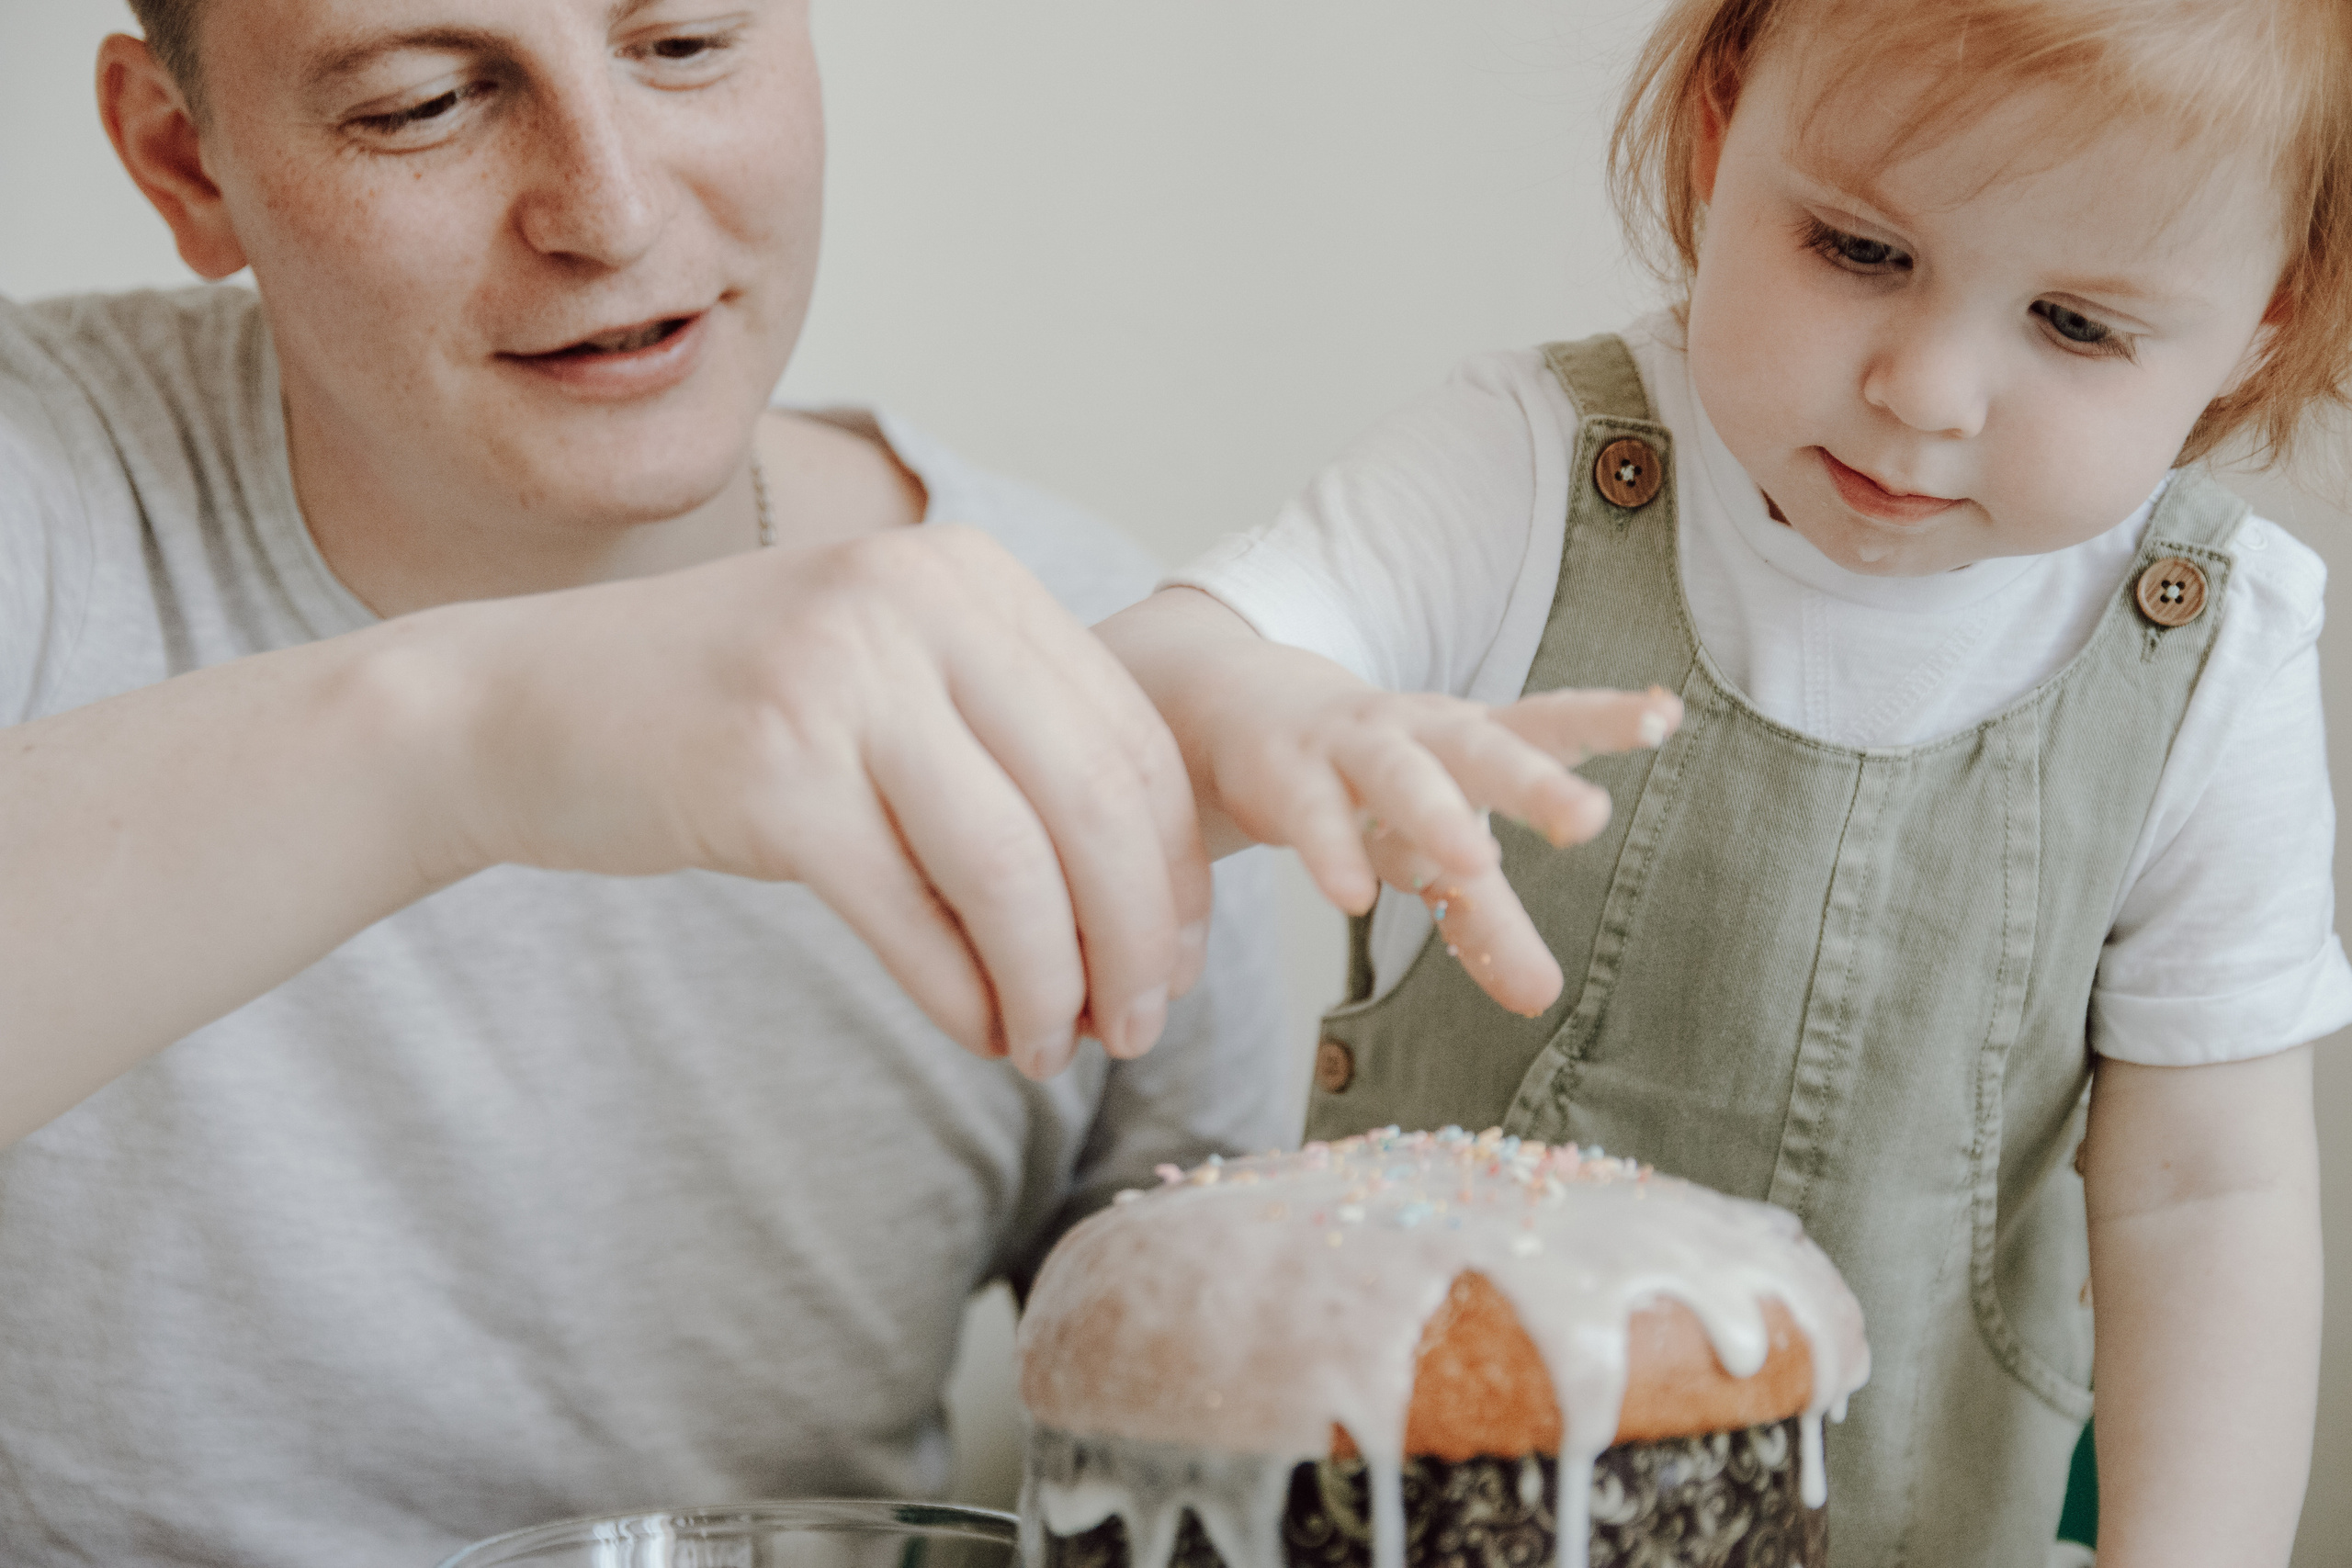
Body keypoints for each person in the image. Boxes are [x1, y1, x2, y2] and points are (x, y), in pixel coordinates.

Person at [0, 0, 1527, 1560]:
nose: (612, 210)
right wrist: (475, 733)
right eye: (424, 103)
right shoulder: (41, 492)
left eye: (684, 45)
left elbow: (1211, 1468)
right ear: (184, 162)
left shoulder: (1082, 659)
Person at [1102, 0, 2352, 1563]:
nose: (1930, 390)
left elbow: (2206, 1199)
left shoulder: (2205, 661)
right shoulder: (1527, 476)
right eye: (1858, 250)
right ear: (1718, 131)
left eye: (2078, 327)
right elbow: (1132, 703)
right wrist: (1258, 709)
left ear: (2259, 327)